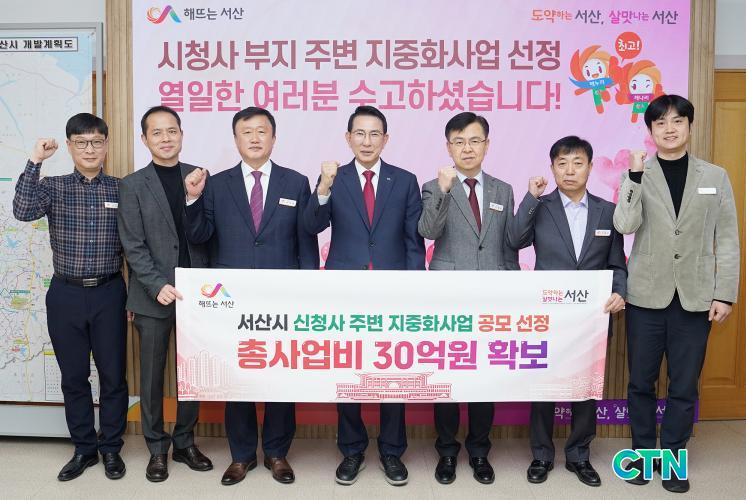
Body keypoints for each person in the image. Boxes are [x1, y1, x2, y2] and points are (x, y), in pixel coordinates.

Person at [184, 106, 319, 486]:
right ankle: (241, 455)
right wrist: (192, 200)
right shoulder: (215, 184)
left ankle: (277, 453)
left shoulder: (296, 182)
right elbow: (200, 236)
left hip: (282, 297)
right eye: (247, 132)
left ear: (274, 138)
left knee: (280, 376)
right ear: (235, 139)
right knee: (237, 376)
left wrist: (309, 288)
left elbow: (305, 241)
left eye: (262, 131)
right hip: (232, 299)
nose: (255, 138)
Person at [613, 95, 739, 494]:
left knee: (684, 386)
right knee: (641, 383)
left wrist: (724, 293)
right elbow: (624, 224)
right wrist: (634, 178)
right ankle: (642, 455)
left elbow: (728, 238)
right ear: (650, 131)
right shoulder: (638, 173)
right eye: (661, 123)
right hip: (646, 296)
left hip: (695, 297)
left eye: (677, 121)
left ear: (689, 126)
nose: (669, 129)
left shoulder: (715, 175)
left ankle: (672, 459)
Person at [304, 105, 425, 486]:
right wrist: (323, 188)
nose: (367, 141)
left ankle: (392, 450)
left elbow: (413, 241)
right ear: (348, 138)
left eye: (375, 134)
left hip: (394, 291)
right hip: (346, 291)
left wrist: (414, 287)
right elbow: (311, 225)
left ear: (385, 139)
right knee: (348, 371)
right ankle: (352, 449)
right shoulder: (333, 178)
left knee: (394, 371)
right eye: (360, 133)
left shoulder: (404, 180)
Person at [13, 113, 128, 481]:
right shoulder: (53, 186)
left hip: (110, 292)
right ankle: (84, 449)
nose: (89, 149)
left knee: (113, 376)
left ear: (106, 145)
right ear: (69, 146)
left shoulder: (122, 189)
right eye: (81, 143)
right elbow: (22, 210)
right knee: (74, 377)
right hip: (65, 294)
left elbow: (136, 244)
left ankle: (111, 448)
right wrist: (35, 160)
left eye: (96, 142)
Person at [508, 135, 627, 488]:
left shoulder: (607, 211)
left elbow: (617, 264)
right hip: (548, 314)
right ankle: (542, 455)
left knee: (585, 389)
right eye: (562, 163)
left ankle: (579, 455)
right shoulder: (541, 206)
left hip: (592, 317)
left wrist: (620, 292)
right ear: (552, 168)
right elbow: (514, 240)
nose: (570, 170)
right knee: (543, 387)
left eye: (577, 163)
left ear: (589, 167)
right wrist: (530, 198)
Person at [418, 111, 519, 485]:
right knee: (447, 378)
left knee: (483, 379)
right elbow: (428, 230)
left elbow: (508, 246)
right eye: (458, 142)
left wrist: (512, 290)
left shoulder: (503, 190)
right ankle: (446, 451)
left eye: (474, 140)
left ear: (487, 145)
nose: (467, 148)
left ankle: (479, 451)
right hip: (448, 297)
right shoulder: (434, 186)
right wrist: (445, 192)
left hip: (492, 297)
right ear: (448, 147)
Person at [118, 106, 213, 482]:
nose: (165, 138)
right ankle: (157, 448)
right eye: (156, 133)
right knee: (152, 376)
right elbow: (133, 244)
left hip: (197, 295)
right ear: (144, 139)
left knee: (193, 373)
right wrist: (156, 285)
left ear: (182, 134)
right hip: (152, 294)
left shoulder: (199, 176)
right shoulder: (132, 185)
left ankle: (185, 442)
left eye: (172, 130)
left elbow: (208, 232)